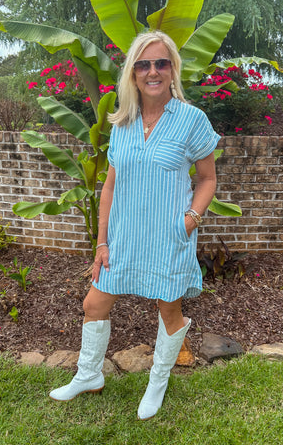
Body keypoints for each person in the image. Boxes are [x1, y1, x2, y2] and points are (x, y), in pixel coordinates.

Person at [49, 30, 220, 420]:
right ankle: (89, 374)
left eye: (161, 63)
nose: (153, 71)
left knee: (169, 311)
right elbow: (110, 185)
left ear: (173, 69)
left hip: (168, 237)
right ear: (133, 74)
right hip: (123, 238)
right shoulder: (122, 123)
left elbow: (207, 178)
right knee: (94, 303)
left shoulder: (192, 120)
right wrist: (102, 241)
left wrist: (190, 220)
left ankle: (157, 383)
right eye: (143, 64)